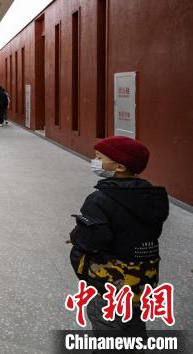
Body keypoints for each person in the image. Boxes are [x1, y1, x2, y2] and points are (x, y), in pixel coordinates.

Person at [69, 136, 169, 339]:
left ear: (120, 167)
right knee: (134, 320)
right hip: (144, 277)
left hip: (110, 280)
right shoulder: (152, 197)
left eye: (99, 157)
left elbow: (94, 239)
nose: (95, 161)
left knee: (107, 324)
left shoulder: (99, 199)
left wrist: (76, 236)